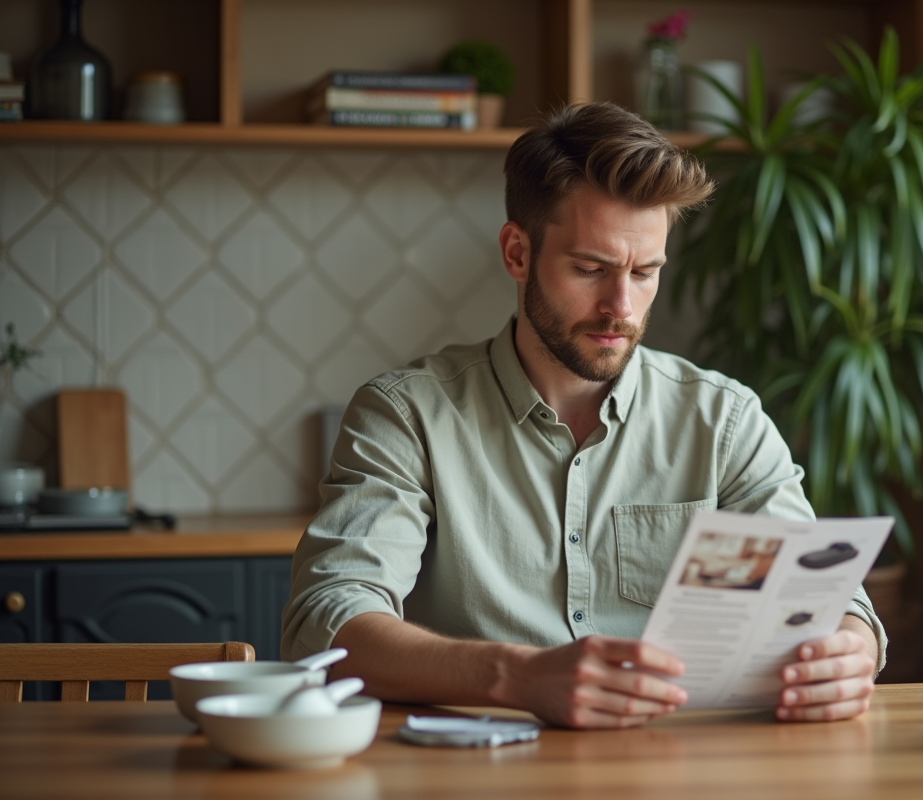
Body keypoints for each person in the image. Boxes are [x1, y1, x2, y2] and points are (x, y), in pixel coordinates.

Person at [281, 101, 887, 729]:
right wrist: (516, 677)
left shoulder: (724, 420)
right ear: (517, 253)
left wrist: (851, 649)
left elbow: (829, 600)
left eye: (645, 272)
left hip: (682, 764)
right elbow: (326, 619)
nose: (620, 306)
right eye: (590, 269)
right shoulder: (407, 415)